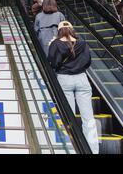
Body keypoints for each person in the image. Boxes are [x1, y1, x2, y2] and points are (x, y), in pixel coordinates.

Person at [48, 21, 99, 154]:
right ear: (71, 30)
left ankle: (70, 149)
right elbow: (88, 61)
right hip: (82, 78)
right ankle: (92, 150)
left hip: (64, 79)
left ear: (59, 31)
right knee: (88, 118)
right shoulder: (82, 43)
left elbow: (53, 62)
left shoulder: (56, 44)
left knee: (68, 117)